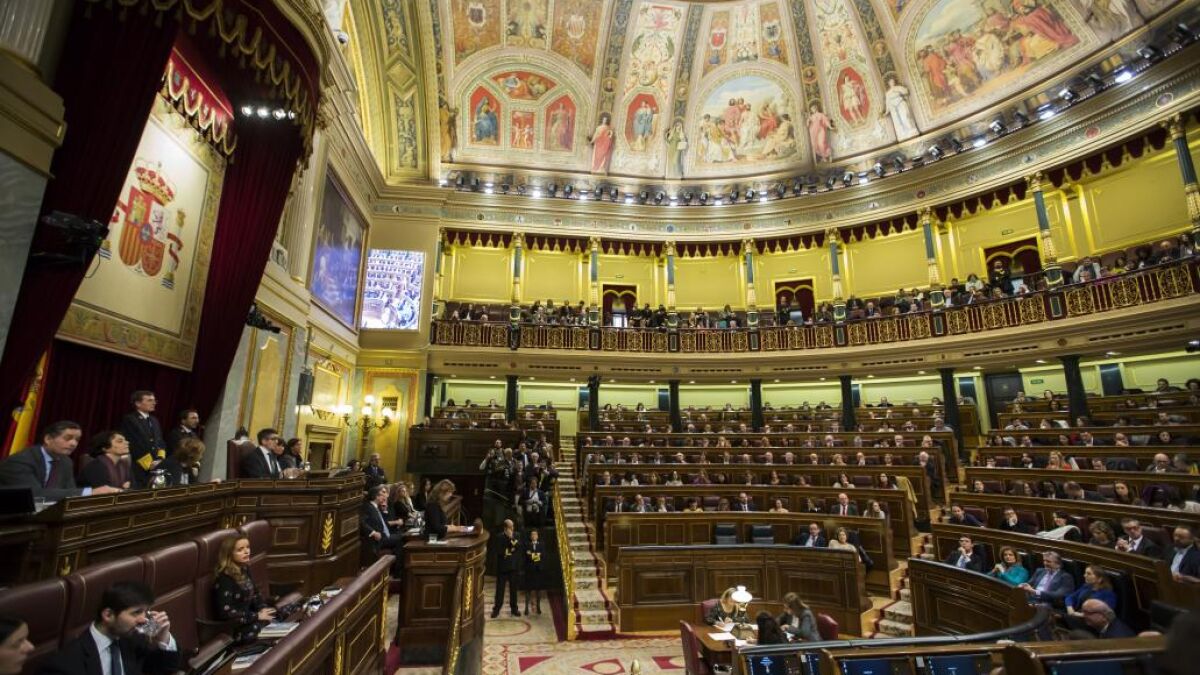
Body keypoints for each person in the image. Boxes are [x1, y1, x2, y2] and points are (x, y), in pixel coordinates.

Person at [42, 581, 180, 674]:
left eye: (146, 611)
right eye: (136, 612)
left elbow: (166, 670)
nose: (144, 620)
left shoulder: (134, 640)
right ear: (108, 615)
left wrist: (163, 637)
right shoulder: (65, 664)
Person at [0, 420, 120, 499]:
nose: (73, 444)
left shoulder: (66, 461)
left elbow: (70, 492)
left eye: (77, 440)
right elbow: (34, 495)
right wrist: (90, 492)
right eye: (68, 438)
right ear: (48, 439)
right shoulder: (20, 461)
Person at [211, 535, 276, 644]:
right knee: (258, 628)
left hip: (252, 618)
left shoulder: (244, 568)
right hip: (237, 627)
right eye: (240, 550)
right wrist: (256, 616)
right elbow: (226, 613)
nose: (246, 552)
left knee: (281, 612)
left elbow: (255, 594)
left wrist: (263, 609)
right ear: (229, 554)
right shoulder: (224, 579)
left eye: (247, 547)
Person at [120, 390, 167, 488]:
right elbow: (134, 444)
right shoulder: (130, 419)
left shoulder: (154, 420)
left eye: (154, 400)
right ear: (138, 403)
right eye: (149, 400)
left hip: (156, 465)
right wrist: (149, 464)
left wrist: (160, 459)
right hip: (139, 465)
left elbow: (160, 441)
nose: (154, 403)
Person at [361, 485, 404, 563]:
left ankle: (395, 565)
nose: (384, 497)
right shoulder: (368, 507)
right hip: (378, 539)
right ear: (376, 496)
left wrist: (385, 511)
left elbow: (384, 522)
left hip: (384, 535)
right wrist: (373, 532)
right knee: (400, 540)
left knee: (402, 537)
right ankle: (397, 567)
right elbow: (362, 522)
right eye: (381, 495)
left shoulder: (376, 507)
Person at [492, 519, 521, 618]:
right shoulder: (499, 537)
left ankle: (514, 609)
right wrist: (510, 550)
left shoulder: (516, 535)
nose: (512, 528)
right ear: (505, 528)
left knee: (513, 589)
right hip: (503, 567)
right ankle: (496, 609)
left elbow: (518, 547)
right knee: (500, 590)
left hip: (513, 567)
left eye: (513, 526)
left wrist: (511, 538)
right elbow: (499, 551)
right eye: (510, 527)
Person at [523, 529, 545, 615]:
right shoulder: (527, 545)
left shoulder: (541, 545)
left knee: (538, 590)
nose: (534, 536)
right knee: (528, 590)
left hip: (538, 570)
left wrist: (532, 555)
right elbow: (527, 556)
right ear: (530, 536)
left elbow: (543, 555)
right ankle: (526, 608)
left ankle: (538, 607)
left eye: (535, 534)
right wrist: (536, 555)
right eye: (532, 534)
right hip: (529, 570)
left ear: (537, 536)